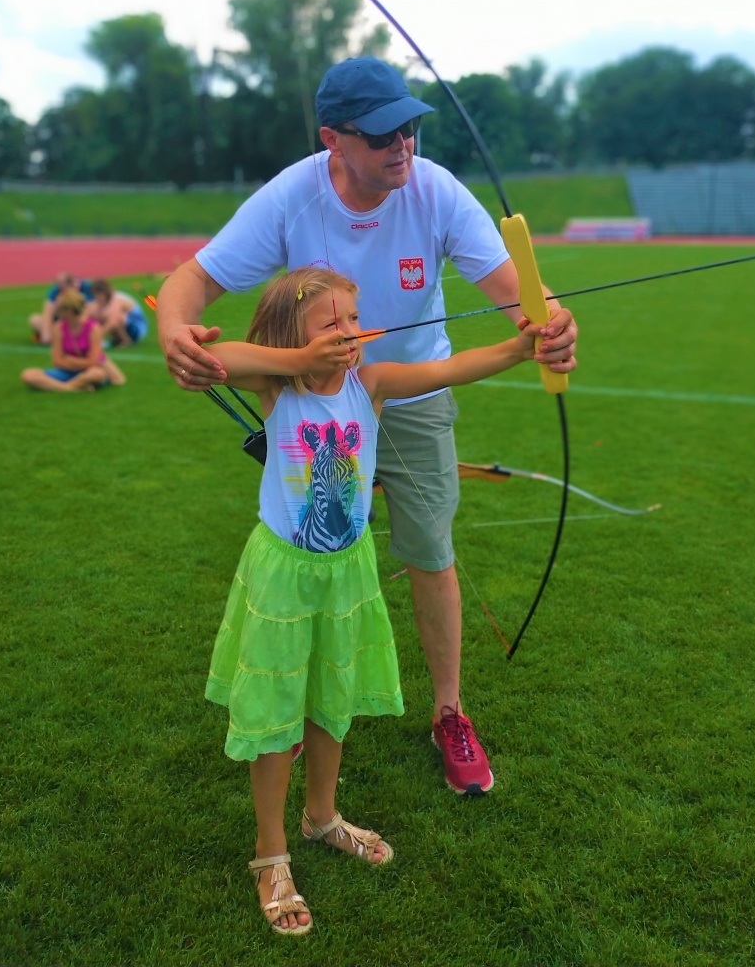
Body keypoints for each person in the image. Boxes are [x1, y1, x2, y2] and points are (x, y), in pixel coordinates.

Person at [156, 56, 578, 797]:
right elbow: (191, 280)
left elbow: (520, 296)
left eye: (410, 128)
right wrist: (173, 330)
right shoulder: (292, 196)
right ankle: (291, 700)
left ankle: (449, 711)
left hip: (406, 395)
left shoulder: (436, 190)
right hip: (316, 403)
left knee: (428, 546)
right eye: (383, 134)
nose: (402, 146)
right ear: (334, 140)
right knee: (304, 551)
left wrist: (546, 326)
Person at [205, 265, 539, 934]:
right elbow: (216, 359)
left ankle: (321, 816)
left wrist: (521, 346)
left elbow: (452, 369)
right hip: (285, 575)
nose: (349, 333)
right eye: (331, 323)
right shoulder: (277, 387)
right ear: (292, 336)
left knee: (333, 701)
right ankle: (270, 854)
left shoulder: (372, 384)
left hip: (347, 572)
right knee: (275, 718)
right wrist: (298, 360)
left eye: (353, 321)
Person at [21, 288, 127, 392]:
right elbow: (57, 360)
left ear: (70, 310)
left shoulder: (93, 329)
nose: (57, 312)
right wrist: (75, 363)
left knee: (97, 374)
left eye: (61, 309)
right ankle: (72, 388)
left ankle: (64, 386)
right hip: (67, 371)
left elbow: (93, 362)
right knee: (28, 375)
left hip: (89, 371)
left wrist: (71, 360)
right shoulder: (59, 328)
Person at [28, 273, 95, 345]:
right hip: (62, 321)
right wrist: (46, 334)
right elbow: (47, 312)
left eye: (63, 288)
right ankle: (59, 337)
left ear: (72, 284)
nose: (61, 290)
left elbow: (90, 310)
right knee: (34, 319)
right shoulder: (56, 290)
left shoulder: (86, 287)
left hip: (79, 321)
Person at [89, 278, 149, 346]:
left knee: (116, 317)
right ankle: (117, 339)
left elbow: (114, 320)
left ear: (104, 292)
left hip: (136, 329)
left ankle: (126, 340)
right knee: (97, 312)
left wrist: (97, 336)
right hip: (129, 325)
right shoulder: (105, 300)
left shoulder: (117, 299)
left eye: (98, 295)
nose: (97, 297)